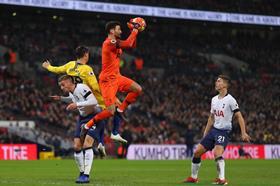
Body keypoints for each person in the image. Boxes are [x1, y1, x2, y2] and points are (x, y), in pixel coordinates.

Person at [42, 46, 127, 148]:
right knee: (116, 108)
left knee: (100, 119)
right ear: (86, 54)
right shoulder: (87, 69)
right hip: (91, 99)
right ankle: (113, 133)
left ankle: (101, 142)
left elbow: (57, 70)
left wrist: (48, 67)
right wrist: (111, 96)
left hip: (78, 100)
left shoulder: (70, 65)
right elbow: (95, 87)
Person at [184, 75, 251, 185]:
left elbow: (239, 116)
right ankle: (193, 177)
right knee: (197, 152)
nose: (216, 83)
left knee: (217, 153)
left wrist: (243, 132)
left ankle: (222, 179)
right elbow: (211, 117)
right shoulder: (214, 99)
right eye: (216, 81)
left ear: (224, 85)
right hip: (214, 130)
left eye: (219, 81)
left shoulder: (231, 100)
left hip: (224, 131)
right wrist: (206, 132)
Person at [82, 20, 143, 133]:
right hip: (107, 80)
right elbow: (128, 43)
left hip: (117, 76)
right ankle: (87, 125)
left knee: (138, 89)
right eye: (118, 29)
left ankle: (120, 110)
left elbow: (132, 45)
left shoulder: (116, 41)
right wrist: (135, 30)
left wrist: (135, 32)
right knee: (110, 112)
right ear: (111, 30)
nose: (120, 31)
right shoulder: (109, 42)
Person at [50, 75, 105, 183]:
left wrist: (77, 105)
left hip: (94, 117)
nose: (62, 87)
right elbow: (72, 98)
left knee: (87, 144)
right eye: (60, 86)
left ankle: (86, 175)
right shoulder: (72, 92)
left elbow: (93, 101)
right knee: (76, 146)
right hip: (82, 118)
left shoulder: (82, 87)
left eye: (63, 85)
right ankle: (81, 172)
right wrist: (61, 98)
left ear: (69, 82)